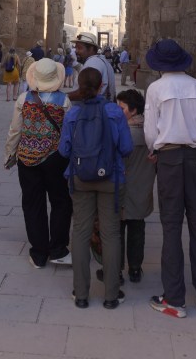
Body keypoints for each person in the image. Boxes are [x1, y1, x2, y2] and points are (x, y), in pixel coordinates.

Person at [144, 38, 196, 319]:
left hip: (170, 159)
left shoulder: (156, 89)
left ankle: (174, 298)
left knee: (172, 226)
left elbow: (151, 130)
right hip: (194, 156)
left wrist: (154, 150)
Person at [58, 67, 132, 310]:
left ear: (79, 87)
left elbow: (63, 151)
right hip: (111, 178)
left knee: (80, 231)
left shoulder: (73, 114)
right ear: (101, 86)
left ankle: (81, 294)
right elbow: (126, 147)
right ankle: (111, 294)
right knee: (111, 234)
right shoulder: (114, 112)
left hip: (80, 178)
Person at [4, 58, 72, 269]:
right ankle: (59, 248)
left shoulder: (23, 99)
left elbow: (15, 130)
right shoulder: (64, 101)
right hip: (55, 158)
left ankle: (39, 252)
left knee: (33, 203)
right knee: (60, 201)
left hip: (27, 158)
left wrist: (9, 154)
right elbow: (68, 133)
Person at [116, 88, 155, 283]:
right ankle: (135, 268)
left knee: (118, 229)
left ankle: (117, 269)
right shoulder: (151, 133)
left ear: (132, 110)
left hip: (123, 189)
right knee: (138, 229)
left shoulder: (123, 134)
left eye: (121, 107)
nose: (117, 110)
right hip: (142, 189)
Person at [69, 32, 116, 101]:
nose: (76, 51)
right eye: (76, 48)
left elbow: (86, 92)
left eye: (79, 48)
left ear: (91, 49)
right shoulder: (101, 61)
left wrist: (64, 98)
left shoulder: (92, 63)